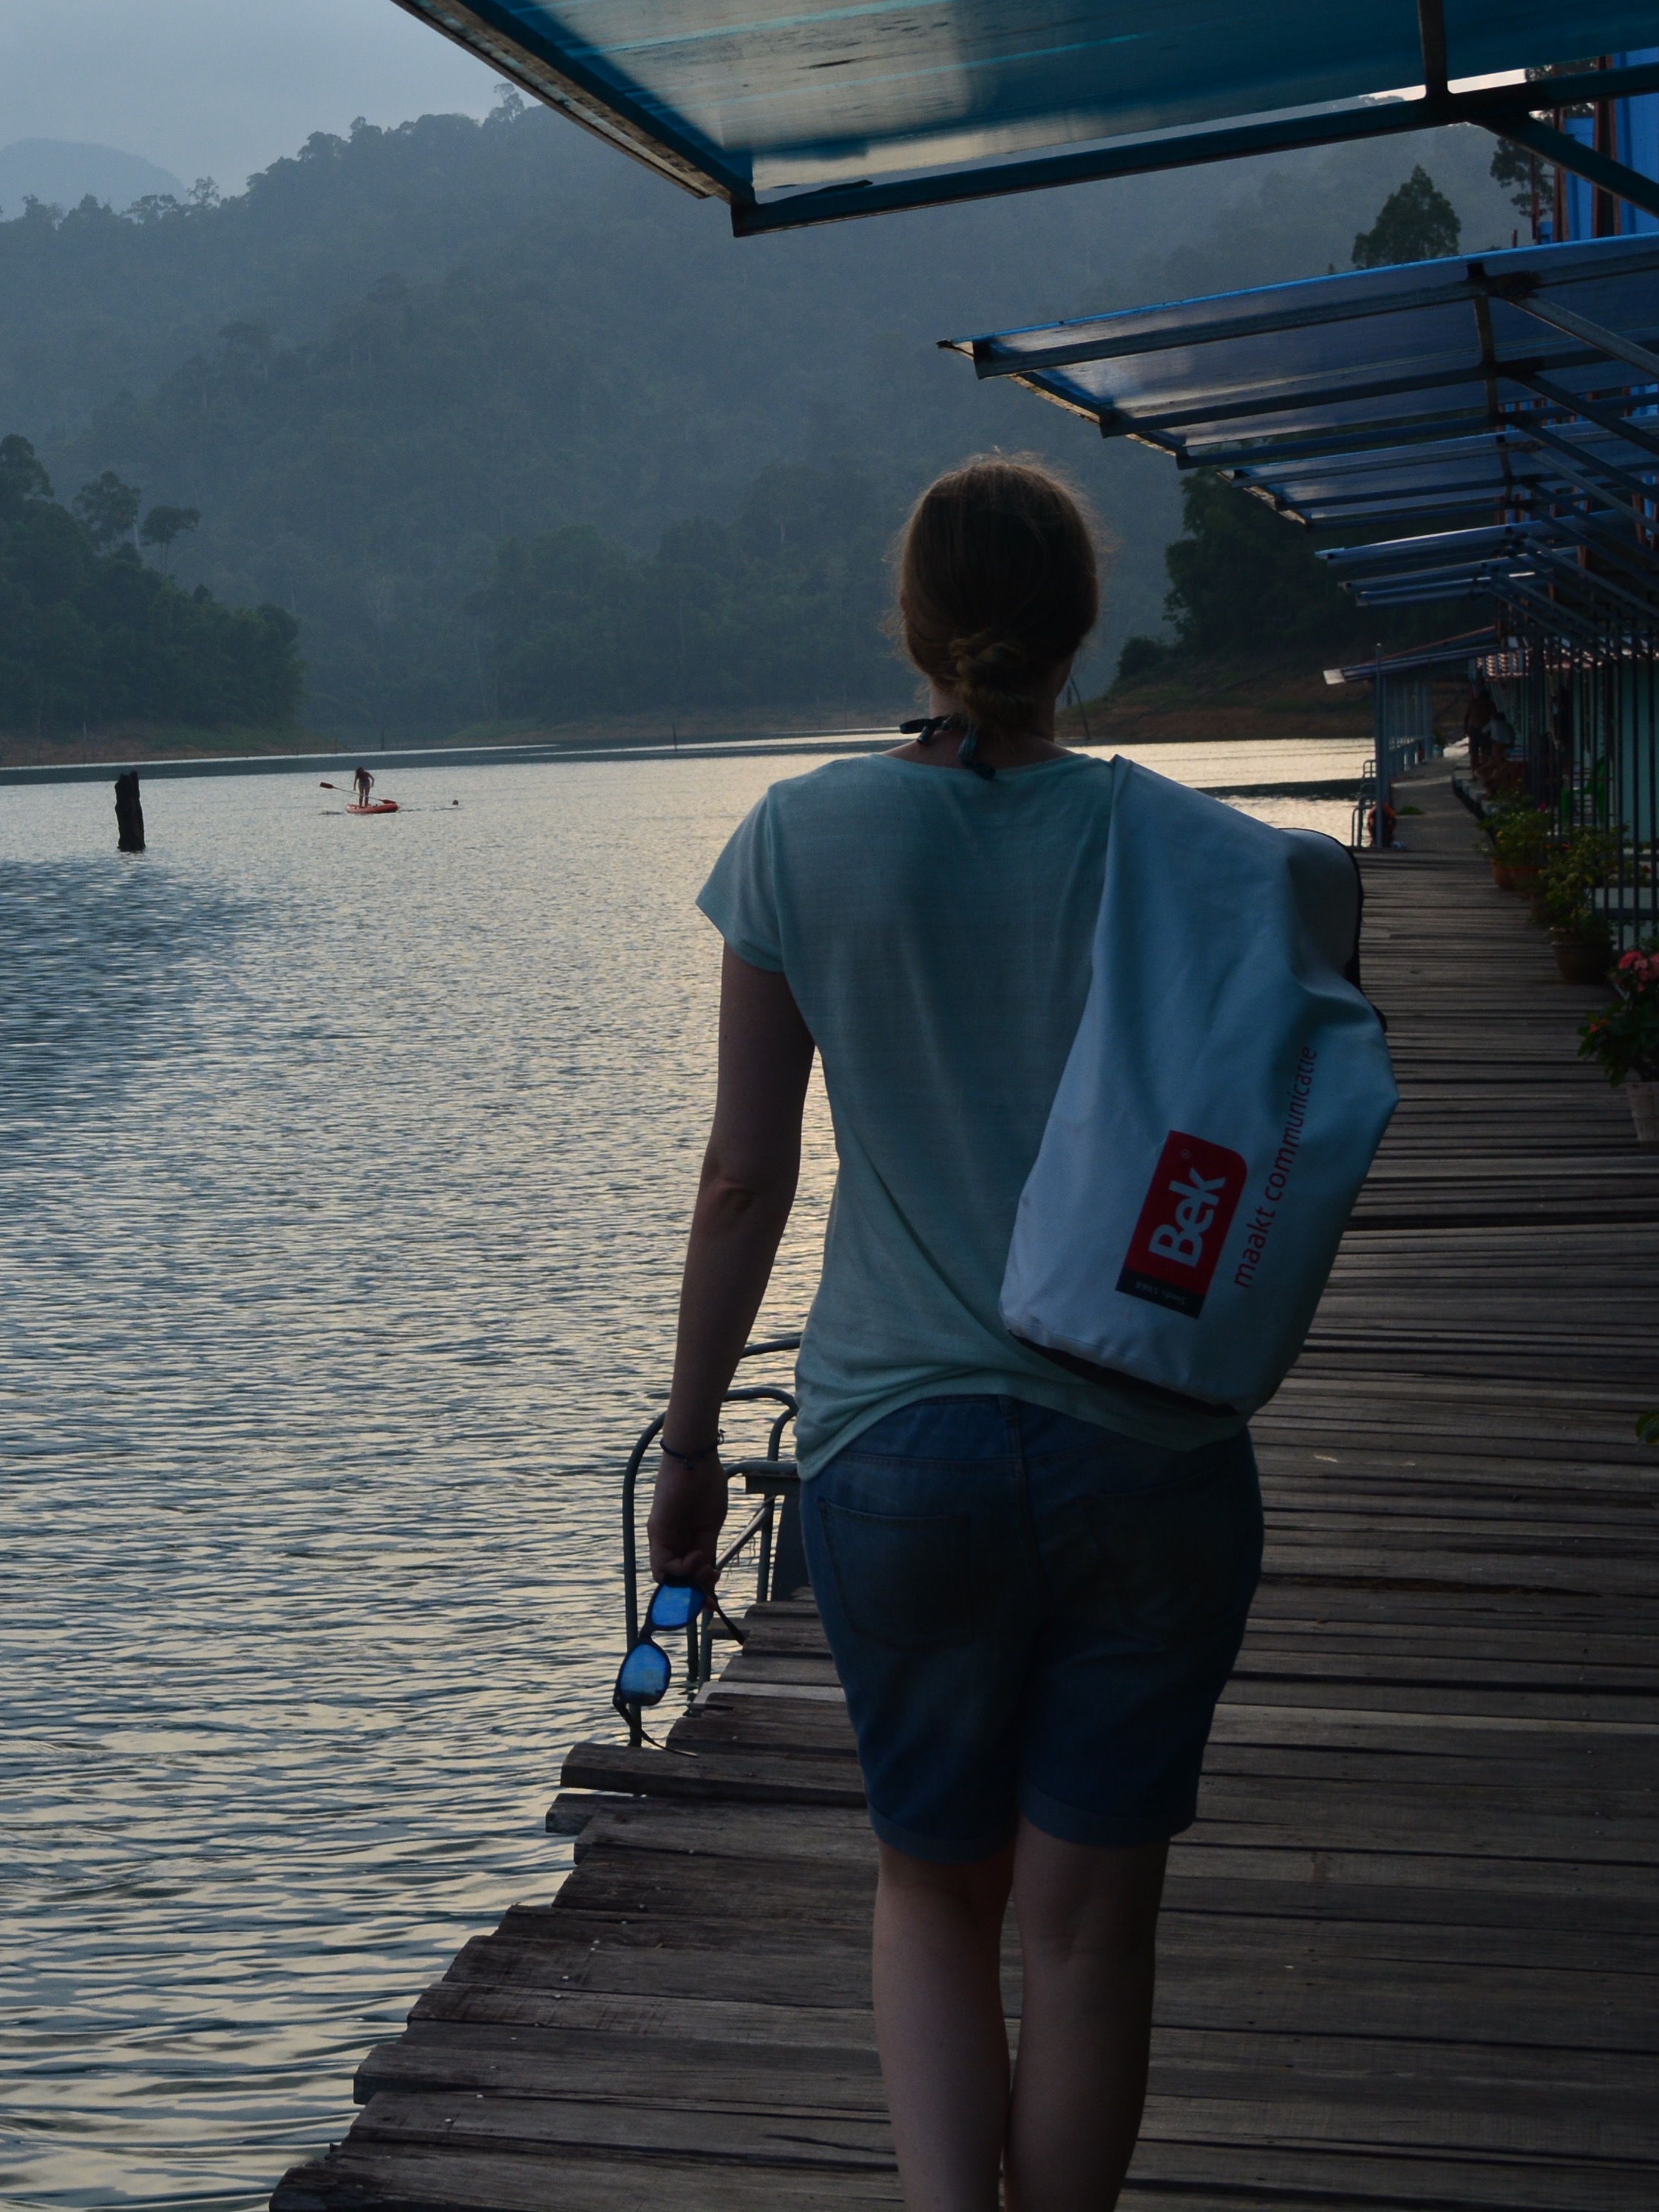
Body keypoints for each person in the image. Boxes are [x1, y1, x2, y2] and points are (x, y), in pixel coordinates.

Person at [646, 455, 1283, 2212]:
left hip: (900, 1449)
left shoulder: (802, 835)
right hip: (1148, 1437)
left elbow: (743, 1175)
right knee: (1088, 1927)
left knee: (935, 1886)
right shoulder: (1174, 841)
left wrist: (692, 1443)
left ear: (915, 626)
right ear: (1083, 624)